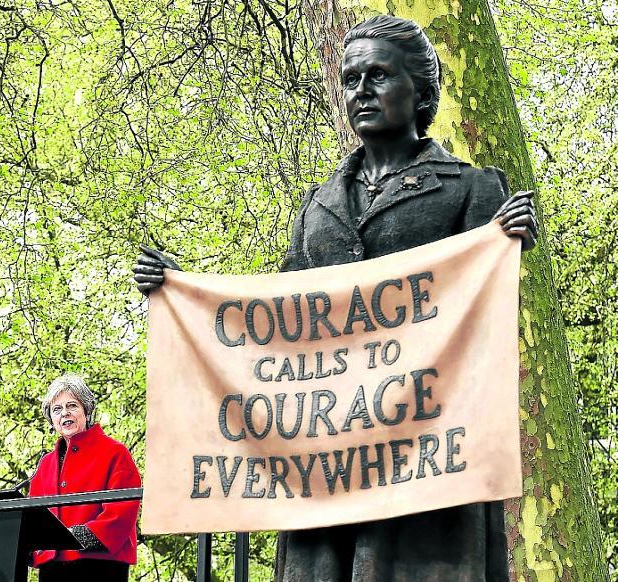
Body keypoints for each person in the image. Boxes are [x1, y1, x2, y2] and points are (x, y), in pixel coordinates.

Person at [133, 15, 537, 581]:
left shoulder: (471, 189)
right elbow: (275, 324)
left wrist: (506, 245)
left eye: (378, 76)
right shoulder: (317, 205)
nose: (360, 92)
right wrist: (186, 296)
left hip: (424, 469)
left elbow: (488, 322)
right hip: (323, 468)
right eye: (350, 79)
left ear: (420, 91)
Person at [29, 373, 141, 582]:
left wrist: (74, 537)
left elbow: (121, 512)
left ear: (86, 410)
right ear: (51, 419)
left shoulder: (115, 453)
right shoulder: (45, 464)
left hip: (101, 566)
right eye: (57, 409)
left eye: (72, 405)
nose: (65, 413)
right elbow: (33, 517)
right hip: (52, 568)